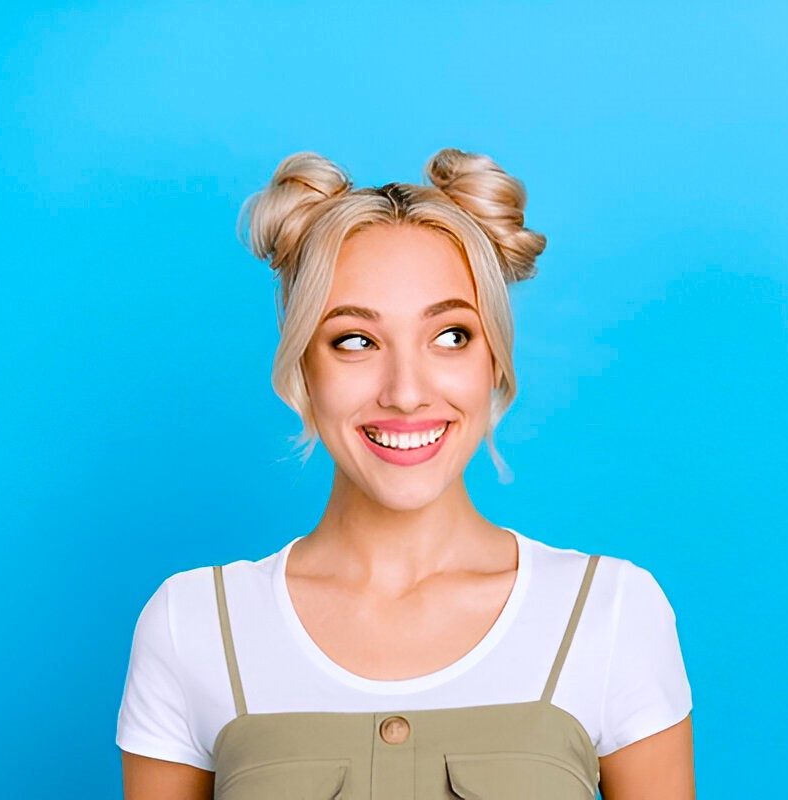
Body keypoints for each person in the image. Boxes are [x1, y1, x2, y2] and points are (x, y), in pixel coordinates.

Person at [116, 148, 695, 799]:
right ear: (305, 366)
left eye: (450, 336)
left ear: (494, 363)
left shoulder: (611, 612)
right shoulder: (191, 623)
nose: (406, 392)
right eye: (355, 341)